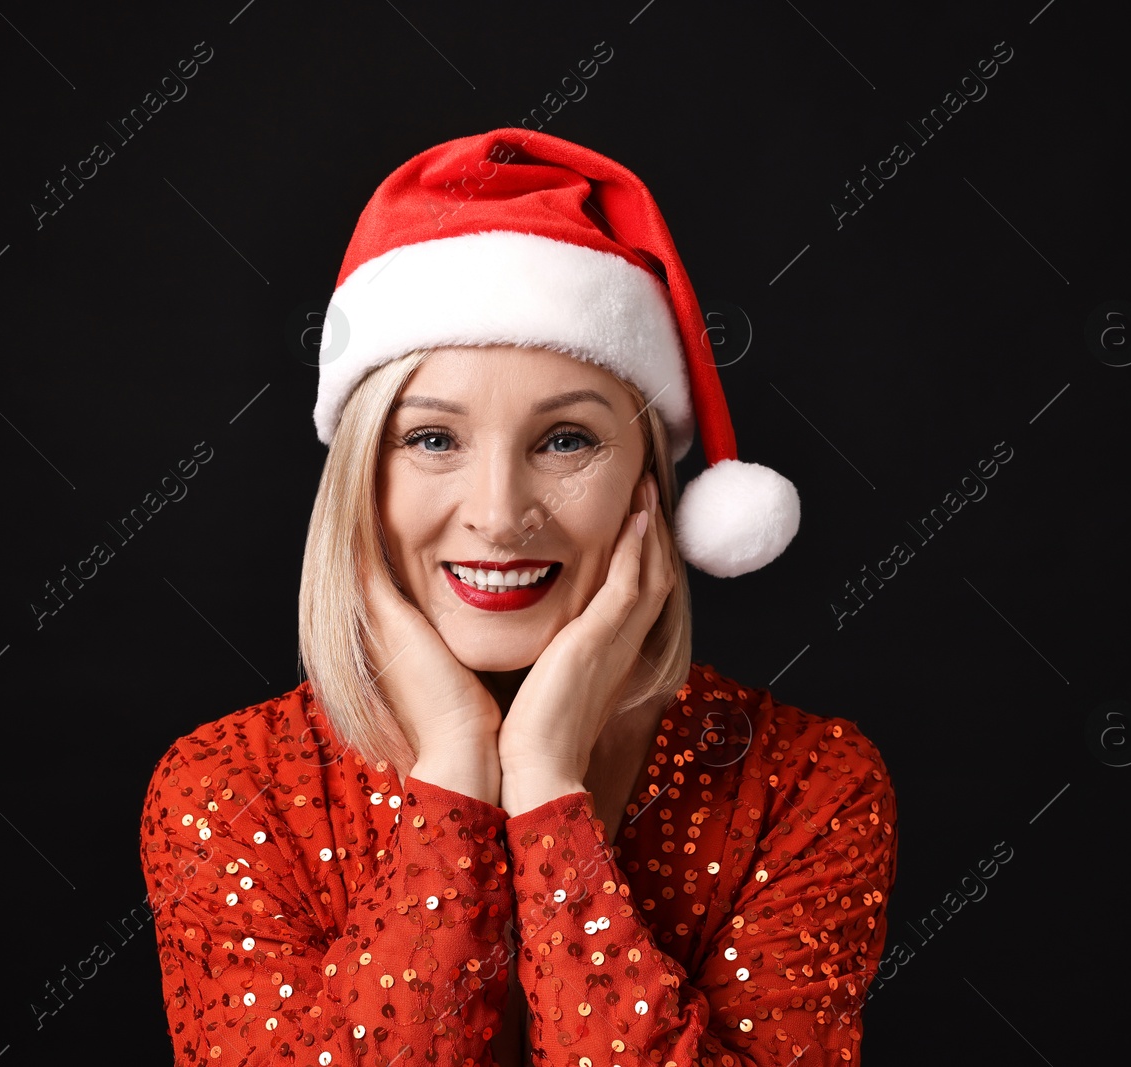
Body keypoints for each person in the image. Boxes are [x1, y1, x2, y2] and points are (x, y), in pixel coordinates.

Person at [140, 128, 898, 1067]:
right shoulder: (229, 786)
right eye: (431, 439)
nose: (500, 516)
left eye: (567, 440)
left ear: (648, 487)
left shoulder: (802, 785)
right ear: (359, 484)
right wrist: (457, 769)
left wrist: (545, 783)